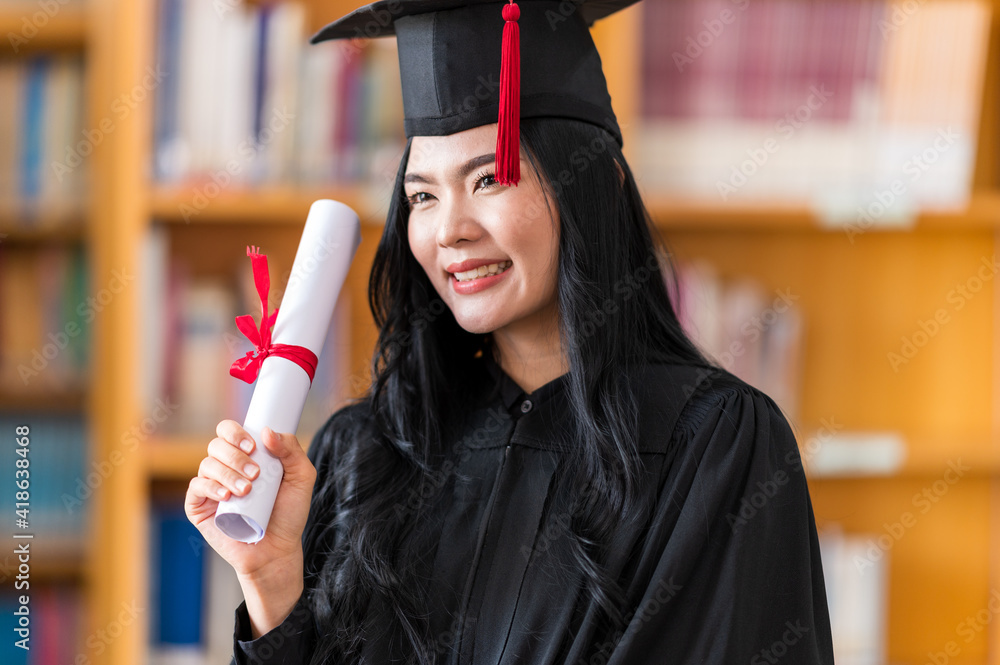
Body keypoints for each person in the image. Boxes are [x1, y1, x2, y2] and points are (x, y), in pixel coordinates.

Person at [185, 1, 835, 663]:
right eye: (422, 196)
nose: (450, 231)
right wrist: (271, 583)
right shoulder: (366, 450)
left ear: (597, 185)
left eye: (490, 178)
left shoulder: (714, 444)